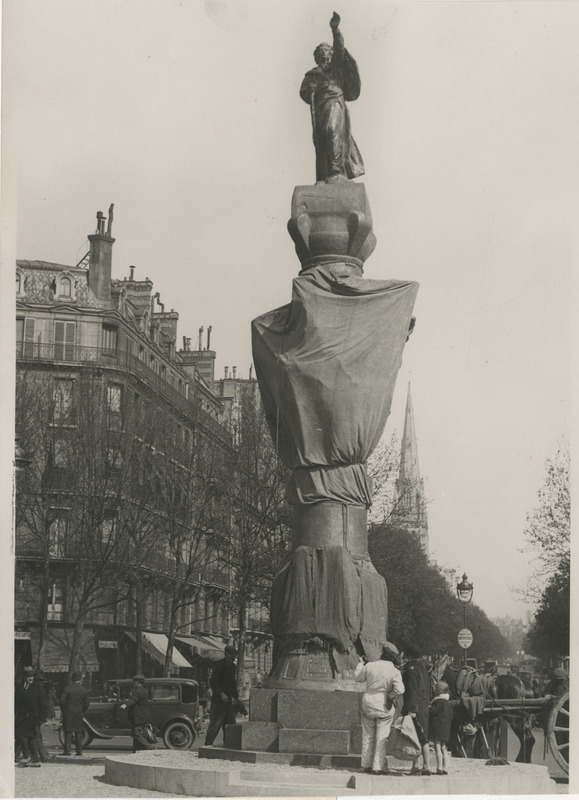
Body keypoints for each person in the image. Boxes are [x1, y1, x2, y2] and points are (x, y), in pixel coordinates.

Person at [300, 12, 365, 183]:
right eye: (320, 51)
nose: (323, 53)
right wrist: (311, 90)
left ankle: (336, 169)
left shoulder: (336, 67)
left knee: (332, 129)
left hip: (335, 101)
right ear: (316, 56)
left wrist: (335, 29)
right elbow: (304, 91)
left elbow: (340, 47)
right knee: (322, 137)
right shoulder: (312, 75)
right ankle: (326, 173)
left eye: (326, 50)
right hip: (321, 106)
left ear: (330, 53)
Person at [354, 642, 405, 775]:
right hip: (384, 703)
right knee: (382, 737)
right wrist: (390, 696)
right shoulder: (395, 671)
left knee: (367, 735)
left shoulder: (370, 665)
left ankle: (365, 764)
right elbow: (400, 689)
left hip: (368, 700)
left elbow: (358, 678)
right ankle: (378, 766)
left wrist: (361, 663)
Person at [402, 643, 432, 775]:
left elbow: (413, 690)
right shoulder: (424, 669)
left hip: (415, 707)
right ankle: (425, 765)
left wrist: (412, 709)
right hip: (424, 706)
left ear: (408, 656)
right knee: (423, 736)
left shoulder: (410, 669)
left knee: (415, 736)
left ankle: (420, 765)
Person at [204, 645, 239, 746]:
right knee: (215, 723)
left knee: (230, 724)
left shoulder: (232, 667)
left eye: (234, 657)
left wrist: (236, 697)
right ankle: (207, 744)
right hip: (218, 699)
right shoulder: (219, 665)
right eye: (232, 656)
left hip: (228, 699)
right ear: (226, 654)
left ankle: (229, 744)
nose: (234, 658)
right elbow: (213, 682)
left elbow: (233, 683)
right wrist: (221, 694)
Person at [15, 666, 46, 768]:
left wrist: (43, 718)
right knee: (32, 737)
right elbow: (17, 703)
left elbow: (43, 703)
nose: (30, 678)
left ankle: (26, 757)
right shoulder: (20, 688)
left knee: (21, 734)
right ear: (24, 677)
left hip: (33, 717)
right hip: (22, 717)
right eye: (28, 676)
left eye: (32, 676)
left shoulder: (37, 687)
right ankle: (36, 760)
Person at [120, 674, 155, 752]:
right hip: (143, 715)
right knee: (137, 733)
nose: (133, 683)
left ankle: (149, 747)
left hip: (139, 716)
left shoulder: (138, 691)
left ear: (137, 682)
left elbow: (133, 700)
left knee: (136, 734)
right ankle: (135, 751)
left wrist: (125, 705)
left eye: (134, 682)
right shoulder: (144, 690)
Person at [60, 671, 90, 756]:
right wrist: (81, 710)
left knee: (68, 731)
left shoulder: (67, 689)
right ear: (80, 679)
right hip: (78, 713)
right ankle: (79, 751)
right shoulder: (84, 690)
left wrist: (64, 710)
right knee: (78, 732)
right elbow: (87, 703)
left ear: (72, 679)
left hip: (68, 712)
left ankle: (67, 751)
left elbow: (62, 701)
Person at [429, 680, 453, 775]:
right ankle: (445, 768)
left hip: (437, 727)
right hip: (446, 727)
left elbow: (433, 712)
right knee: (444, 748)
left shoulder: (437, 702)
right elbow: (452, 715)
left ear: (437, 691)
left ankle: (439, 768)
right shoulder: (448, 703)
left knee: (437, 747)